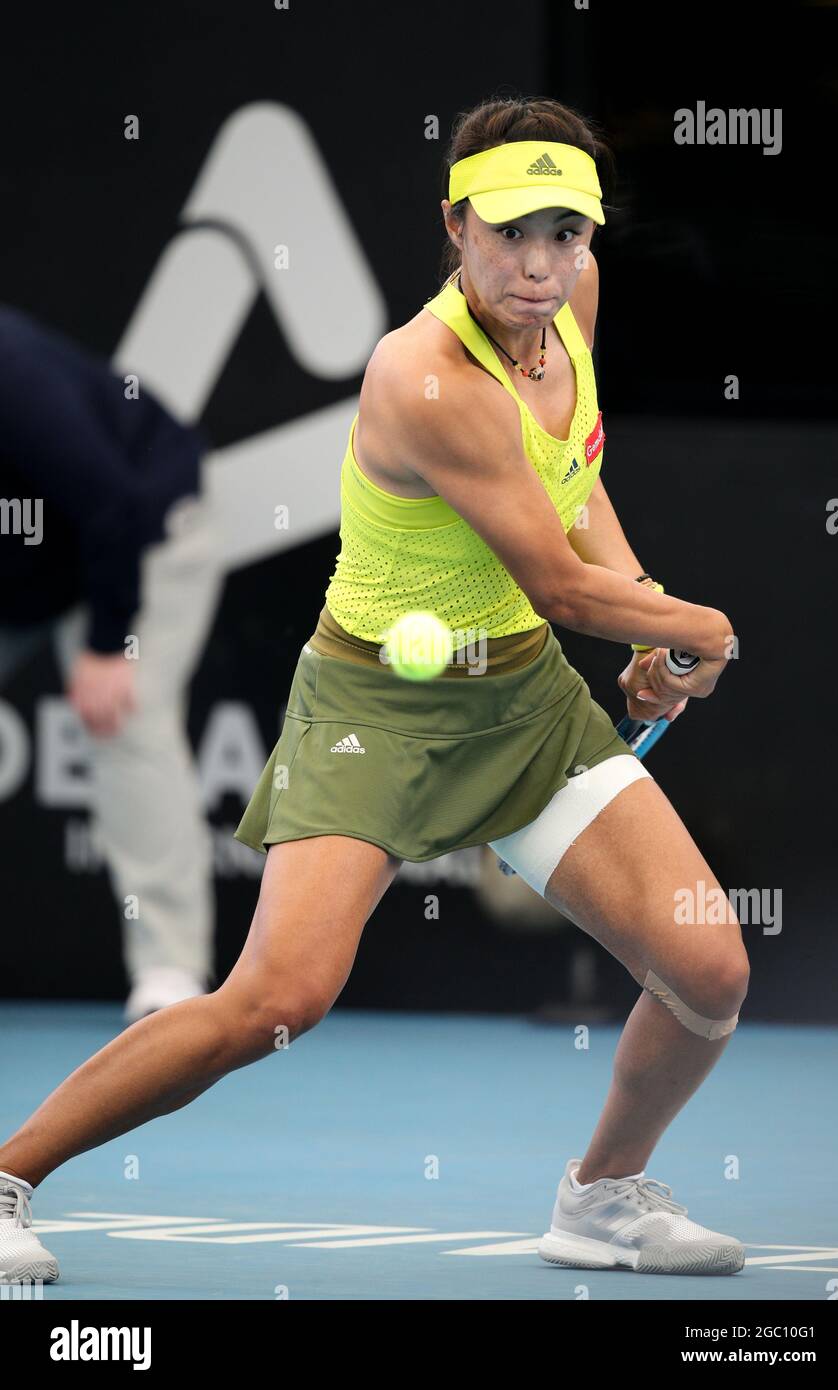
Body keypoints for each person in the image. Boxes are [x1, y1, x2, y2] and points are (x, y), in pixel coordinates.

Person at [0, 95, 748, 1285]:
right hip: (373, 712)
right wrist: (694, 624)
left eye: (566, 234)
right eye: (511, 233)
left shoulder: (572, 308)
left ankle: (600, 1197)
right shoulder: (422, 377)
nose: (541, 265)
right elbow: (556, 579)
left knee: (709, 964)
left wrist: (646, 603)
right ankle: (8, 1172)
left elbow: (577, 485)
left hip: (522, 702)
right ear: (454, 225)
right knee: (273, 1001)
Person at [0, 305, 223, 1025]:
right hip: (30, 567)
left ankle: (170, 968)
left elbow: (111, 503)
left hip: (140, 537)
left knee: (123, 721)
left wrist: (106, 645)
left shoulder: (13, 371)